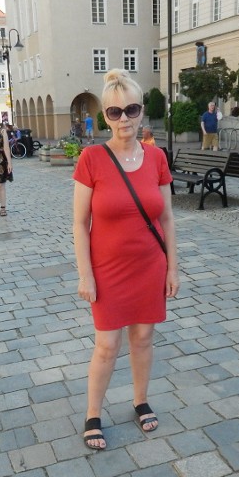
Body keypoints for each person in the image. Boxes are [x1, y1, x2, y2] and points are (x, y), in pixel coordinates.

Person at [72, 68, 180, 451]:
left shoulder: (156, 158)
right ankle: (93, 413)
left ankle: (140, 400)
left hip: (149, 264)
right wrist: (86, 275)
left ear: (141, 111)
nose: (124, 119)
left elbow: (166, 217)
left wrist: (172, 266)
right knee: (106, 344)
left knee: (144, 336)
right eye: (115, 112)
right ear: (105, 116)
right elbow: (80, 223)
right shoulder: (92, 158)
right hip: (107, 269)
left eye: (131, 110)